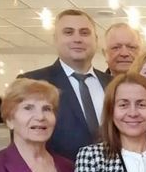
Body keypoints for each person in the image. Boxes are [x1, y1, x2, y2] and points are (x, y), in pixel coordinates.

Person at [21, 9, 110, 160]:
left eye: (84, 33)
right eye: (68, 32)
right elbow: (22, 144)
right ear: (55, 39)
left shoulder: (113, 84)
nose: (77, 39)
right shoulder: (33, 82)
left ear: (95, 39)